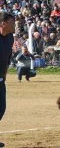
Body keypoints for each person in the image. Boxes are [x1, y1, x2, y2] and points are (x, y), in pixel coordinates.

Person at [0, 12, 15, 147]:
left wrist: (5, 72)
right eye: (11, 23)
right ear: (3, 24)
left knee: (1, 108)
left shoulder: (10, 37)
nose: (14, 25)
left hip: (0, 80)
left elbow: (8, 56)